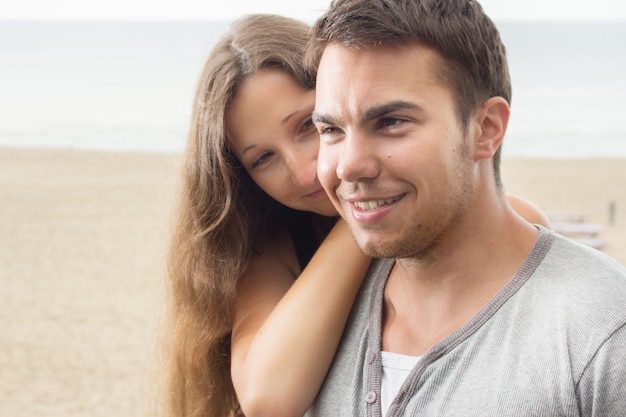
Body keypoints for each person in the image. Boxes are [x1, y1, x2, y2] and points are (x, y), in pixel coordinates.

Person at [163, 12, 553, 417]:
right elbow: (267, 398)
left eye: (309, 127)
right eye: (263, 158)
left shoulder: (503, 223)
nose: (303, 170)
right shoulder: (272, 254)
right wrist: (365, 210)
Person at [305, 0, 626, 416]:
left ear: (486, 129)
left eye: (391, 122)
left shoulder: (602, 332)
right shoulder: (320, 320)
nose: (349, 165)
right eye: (331, 129)